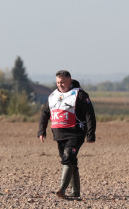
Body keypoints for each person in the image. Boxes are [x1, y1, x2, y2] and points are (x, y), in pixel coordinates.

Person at [38, 70, 96, 200]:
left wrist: (90, 134)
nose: (60, 85)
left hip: (75, 133)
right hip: (59, 134)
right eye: (58, 82)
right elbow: (45, 113)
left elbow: (89, 115)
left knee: (68, 158)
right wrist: (41, 130)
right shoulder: (52, 95)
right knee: (70, 161)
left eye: (63, 82)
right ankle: (75, 192)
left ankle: (61, 189)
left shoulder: (79, 94)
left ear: (70, 80)